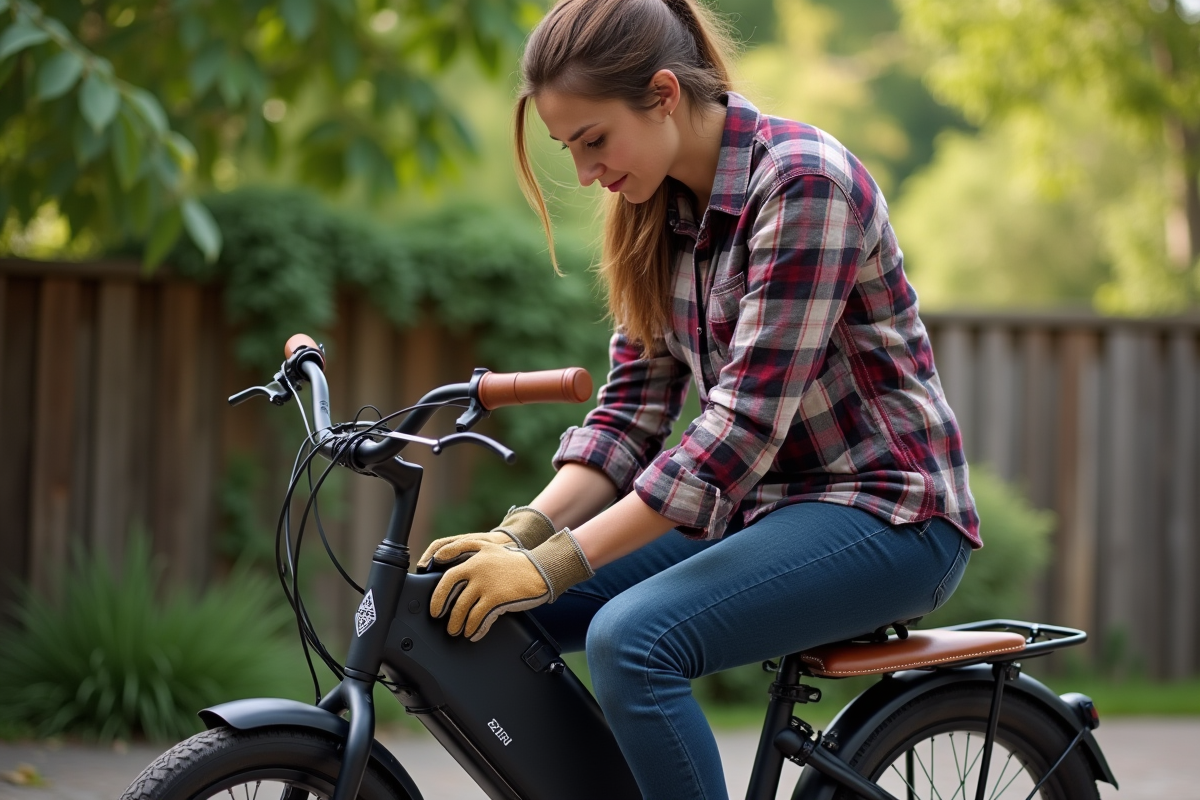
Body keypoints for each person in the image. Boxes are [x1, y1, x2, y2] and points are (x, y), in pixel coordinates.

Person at [418, 0, 980, 797]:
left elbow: (738, 433)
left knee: (630, 642)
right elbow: (630, 413)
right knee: (493, 620)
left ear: (663, 95)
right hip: (762, 508)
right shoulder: (656, 211)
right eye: (566, 148)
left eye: (593, 140)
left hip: (890, 514)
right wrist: (522, 536)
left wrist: (551, 564)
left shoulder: (803, 184)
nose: (583, 173)